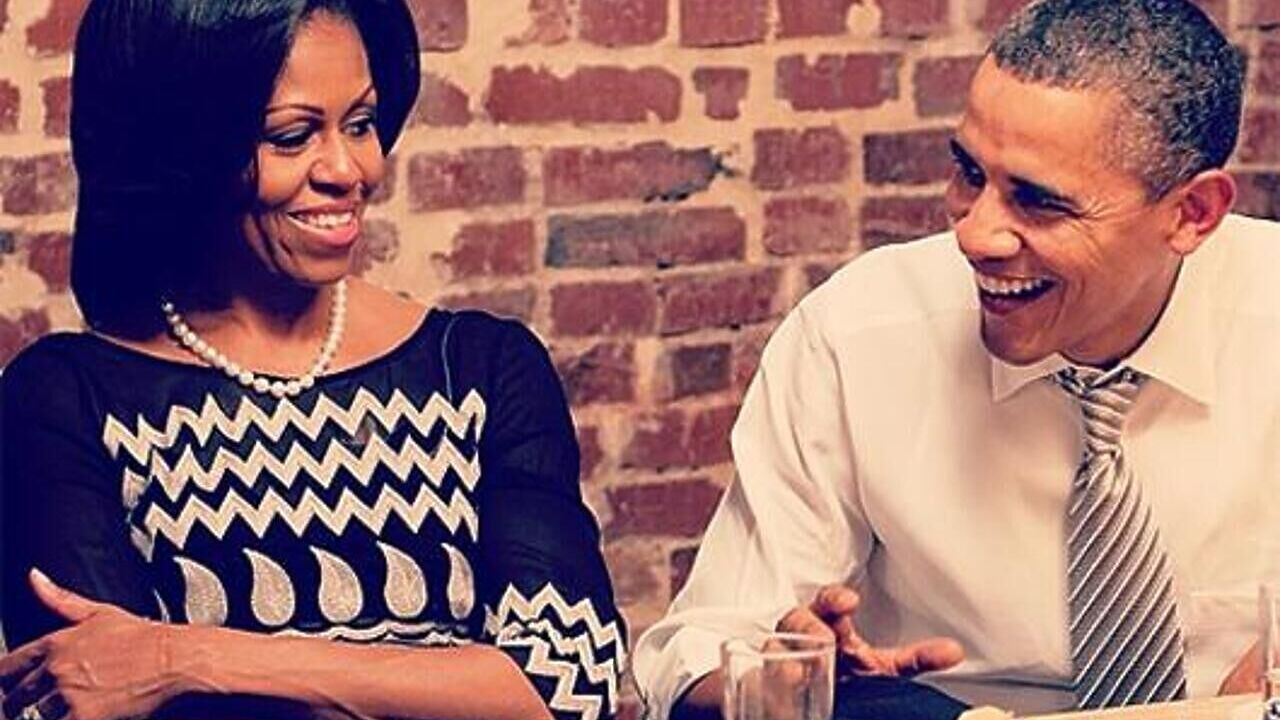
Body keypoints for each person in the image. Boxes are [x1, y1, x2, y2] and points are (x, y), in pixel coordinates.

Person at [633, 0, 1280, 717]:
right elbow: (698, 649)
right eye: (970, 173)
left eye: (1040, 202)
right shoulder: (857, 334)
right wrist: (781, 684)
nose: (975, 235)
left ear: (1193, 214)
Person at [0, 2, 626, 720]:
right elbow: (87, 694)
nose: (350, 170)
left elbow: (568, 682)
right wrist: (453, 681)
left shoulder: (482, 369)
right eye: (292, 136)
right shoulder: (62, 401)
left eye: (360, 124)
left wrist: (186, 657)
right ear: (184, 151)